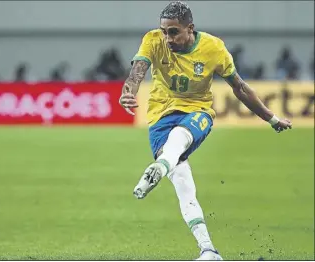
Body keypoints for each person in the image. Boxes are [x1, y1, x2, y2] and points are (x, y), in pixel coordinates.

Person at [118, 2, 292, 260]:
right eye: (164, 31)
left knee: (178, 140)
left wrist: (271, 118)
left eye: (174, 32)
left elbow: (240, 88)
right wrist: (128, 92)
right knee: (183, 184)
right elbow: (137, 72)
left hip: (196, 112)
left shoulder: (213, 48)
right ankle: (208, 249)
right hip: (159, 117)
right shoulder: (153, 40)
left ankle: (162, 164)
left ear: (190, 29)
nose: (167, 38)